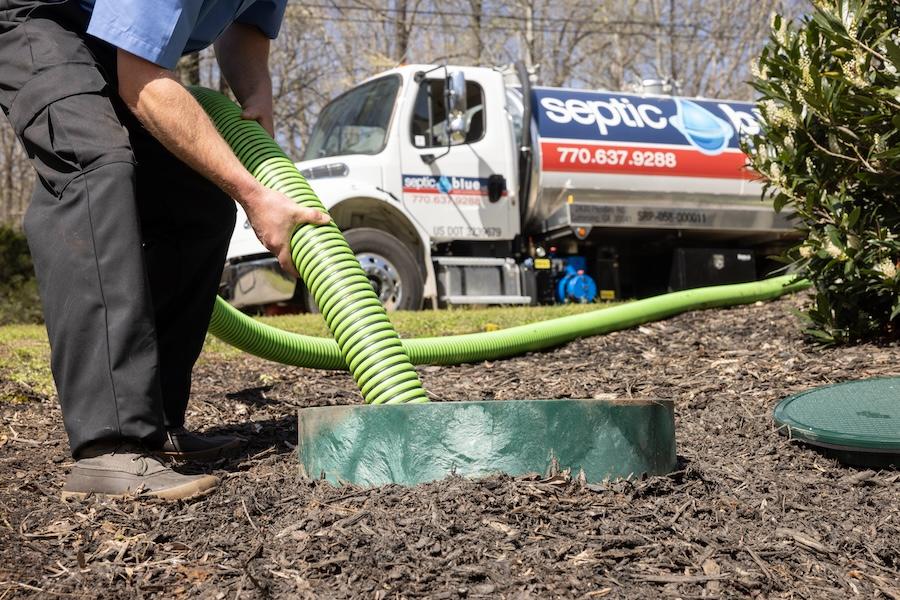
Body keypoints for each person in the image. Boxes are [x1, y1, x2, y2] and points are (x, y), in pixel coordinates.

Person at [0, 0, 330, 500]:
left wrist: (257, 89)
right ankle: (110, 445)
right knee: (93, 164)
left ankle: (154, 424)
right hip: (39, 16)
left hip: (109, 40)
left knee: (197, 198)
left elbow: (247, 25)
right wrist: (256, 196)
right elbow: (142, 80)